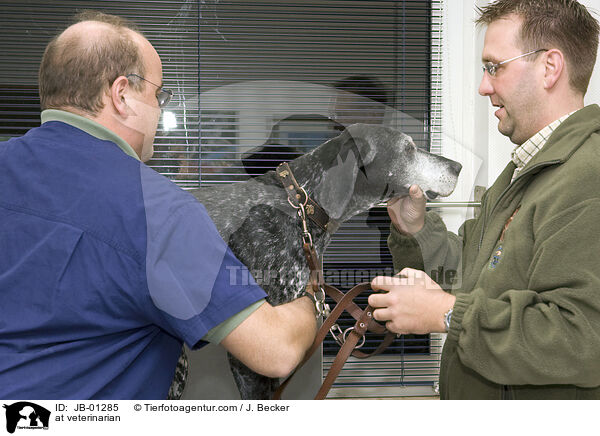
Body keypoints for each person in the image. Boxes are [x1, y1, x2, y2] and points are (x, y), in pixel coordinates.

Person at [0, 11, 317, 399]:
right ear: (121, 95)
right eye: (157, 94)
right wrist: (310, 302)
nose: (160, 108)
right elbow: (276, 350)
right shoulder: (156, 209)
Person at [368, 0, 600, 399]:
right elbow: (471, 278)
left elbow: (581, 337)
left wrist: (444, 313)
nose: (484, 86)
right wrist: (417, 229)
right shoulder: (521, 172)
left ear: (550, 67)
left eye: (495, 67)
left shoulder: (588, 177)